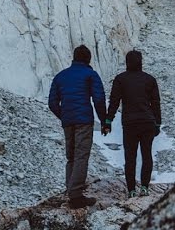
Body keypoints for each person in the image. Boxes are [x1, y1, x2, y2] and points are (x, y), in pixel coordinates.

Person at [47, 45, 109, 209]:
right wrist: (104, 121)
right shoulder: (90, 74)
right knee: (81, 155)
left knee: (71, 156)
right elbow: (98, 99)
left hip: (68, 121)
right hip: (83, 120)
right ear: (88, 59)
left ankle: (71, 190)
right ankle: (75, 195)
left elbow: (52, 103)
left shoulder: (61, 76)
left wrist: (64, 115)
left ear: (74, 58)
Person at [106, 49, 162, 198]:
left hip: (130, 123)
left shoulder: (120, 79)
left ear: (127, 63)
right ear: (141, 62)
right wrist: (158, 123)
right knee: (146, 154)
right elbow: (155, 103)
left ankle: (131, 190)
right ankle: (144, 187)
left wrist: (108, 120)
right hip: (147, 122)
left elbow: (114, 101)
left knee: (130, 157)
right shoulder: (149, 79)